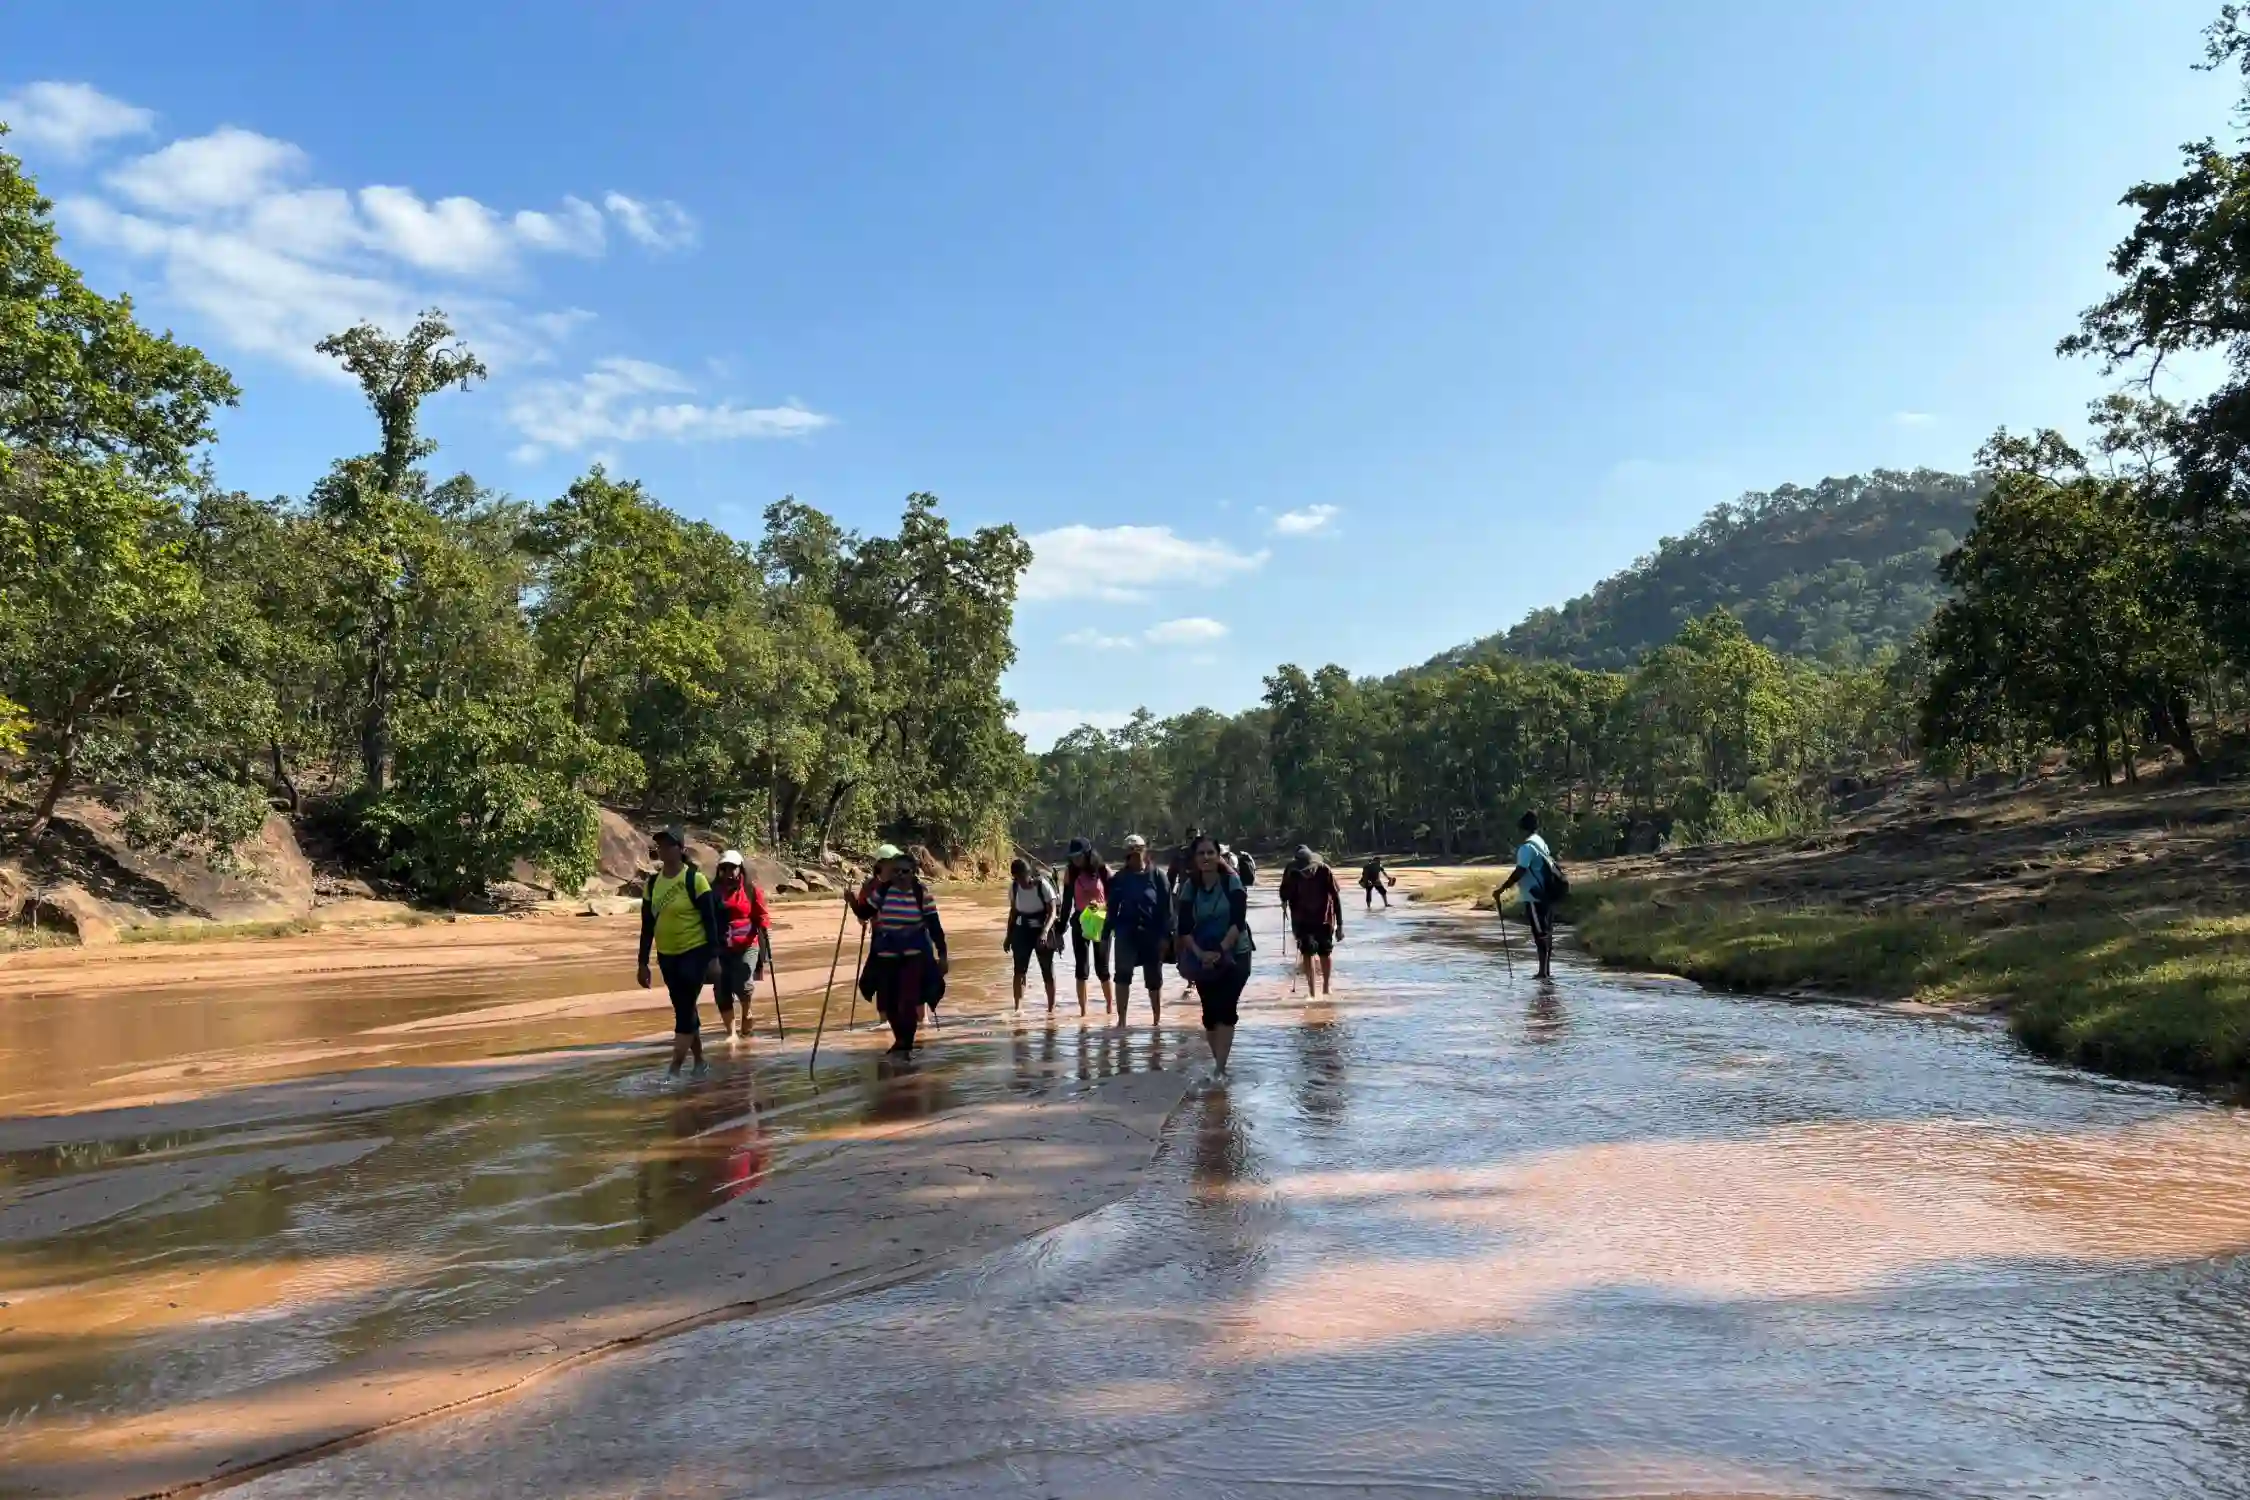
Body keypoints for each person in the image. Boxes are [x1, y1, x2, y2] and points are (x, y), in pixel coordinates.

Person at [637, 826, 724, 1078]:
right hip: (667, 956)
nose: (663, 849)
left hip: (694, 953)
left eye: (669, 845)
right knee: (683, 1007)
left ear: (681, 849)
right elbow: (647, 926)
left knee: (684, 1008)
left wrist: (714, 958)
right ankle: (699, 1061)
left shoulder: (694, 880)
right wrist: (643, 963)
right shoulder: (652, 884)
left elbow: (710, 922)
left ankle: (674, 1070)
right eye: (660, 845)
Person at [849, 844, 949, 1056]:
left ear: (913, 873)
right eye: (896, 871)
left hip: (914, 956)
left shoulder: (921, 894)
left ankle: (906, 1042)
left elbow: (935, 926)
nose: (900, 875)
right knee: (889, 1001)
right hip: (886, 955)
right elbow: (865, 912)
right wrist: (851, 902)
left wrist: (942, 956)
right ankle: (900, 1039)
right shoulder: (883, 891)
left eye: (905, 871)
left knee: (908, 1000)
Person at [1175, 833, 1252, 1077]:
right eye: (1201, 853)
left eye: (1211, 852)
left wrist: (1220, 951)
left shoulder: (1232, 882)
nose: (1206, 857)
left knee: (1226, 1009)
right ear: (1195, 859)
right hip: (1201, 955)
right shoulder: (1190, 887)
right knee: (1209, 1013)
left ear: (1219, 856)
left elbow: (1238, 922)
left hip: (1236, 953)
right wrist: (1200, 954)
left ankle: (1220, 1069)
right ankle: (1219, 1063)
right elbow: (1184, 927)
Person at [1106, 834, 1174, 1027]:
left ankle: (1156, 1021)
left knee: (1154, 979)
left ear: (1145, 851)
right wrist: (1105, 935)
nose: (1134, 854)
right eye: (1130, 851)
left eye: (1138, 850)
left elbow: (1167, 909)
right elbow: (1111, 909)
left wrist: (1166, 937)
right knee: (1122, 976)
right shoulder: (1119, 879)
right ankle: (1121, 1021)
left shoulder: (1158, 876)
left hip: (1152, 933)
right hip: (1126, 932)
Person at [711, 850, 771, 1042]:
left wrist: (763, 927)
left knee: (743, 982)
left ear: (740, 869)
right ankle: (731, 1033)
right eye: (724, 868)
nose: (729, 872)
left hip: (747, 944)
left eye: (733, 868)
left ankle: (747, 1010)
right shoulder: (712, 891)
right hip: (720, 945)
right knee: (721, 987)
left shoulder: (751, 890)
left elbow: (762, 914)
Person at [1494, 811, 1560, 980]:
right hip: (1547, 893)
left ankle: (1542, 973)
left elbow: (1521, 870)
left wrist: (1502, 889)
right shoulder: (1540, 842)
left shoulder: (1526, 847)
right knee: (1546, 932)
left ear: (1522, 829)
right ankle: (1546, 971)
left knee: (1540, 934)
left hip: (1534, 896)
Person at [1055, 837, 1113, 1017]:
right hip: (1080, 921)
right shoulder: (1070, 873)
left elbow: (1115, 898)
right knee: (1081, 968)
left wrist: (1109, 915)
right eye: (1072, 857)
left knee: (1101, 968)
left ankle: (1110, 1007)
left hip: (1100, 920)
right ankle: (1083, 1012)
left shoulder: (1103, 871)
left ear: (1088, 854)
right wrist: (1059, 930)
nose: (1076, 860)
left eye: (1079, 856)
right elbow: (1066, 904)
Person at [1277, 844, 1344, 997]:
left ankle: (1326, 987)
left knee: (1325, 952)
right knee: (1307, 952)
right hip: (1302, 919)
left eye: (1309, 869)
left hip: (1324, 918)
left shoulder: (1324, 870)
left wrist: (1340, 925)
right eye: (1304, 871)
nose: (1307, 873)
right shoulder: (1291, 871)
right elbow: (1283, 892)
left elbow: (1336, 897)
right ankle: (1312, 991)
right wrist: (1284, 899)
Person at [1005, 857, 1059, 1010]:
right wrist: (1008, 937)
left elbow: (1052, 912)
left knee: (1047, 970)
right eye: (1016, 878)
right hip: (1022, 930)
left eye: (1022, 877)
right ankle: (1018, 1008)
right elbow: (1013, 913)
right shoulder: (1014, 888)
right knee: (1019, 970)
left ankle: (1051, 1009)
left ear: (1028, 874)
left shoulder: (1043, 886)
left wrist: (1044, 932)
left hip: (1043, 928)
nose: (1020, 881)